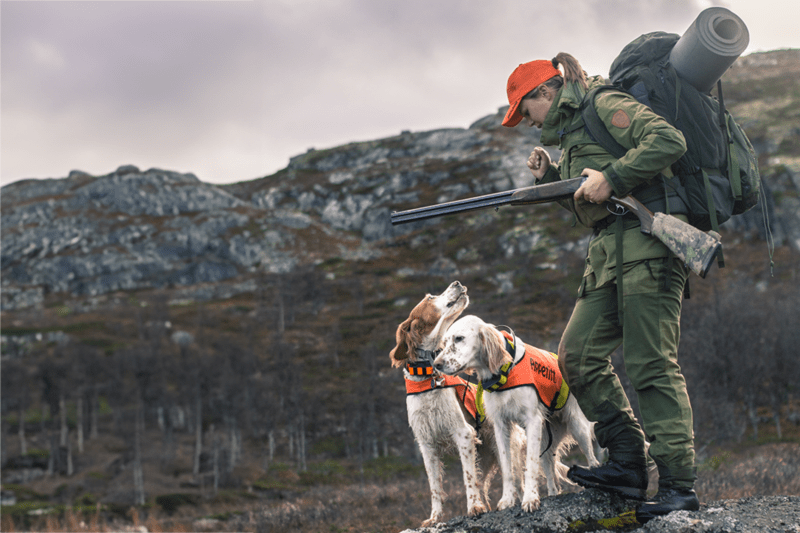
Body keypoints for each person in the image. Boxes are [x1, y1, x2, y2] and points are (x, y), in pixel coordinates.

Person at [500, 54, 700, 523]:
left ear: (543, 93)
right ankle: (628, 464)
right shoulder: (571, 136)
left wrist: (614, 177)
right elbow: (593, 207)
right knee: (577, 356)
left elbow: (669, 141)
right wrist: (552, 179)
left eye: (525, 112)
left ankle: (678, 485)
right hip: (609, 256)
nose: (527, 123)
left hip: (649, 249)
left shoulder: (603, 103)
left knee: (651, 364)